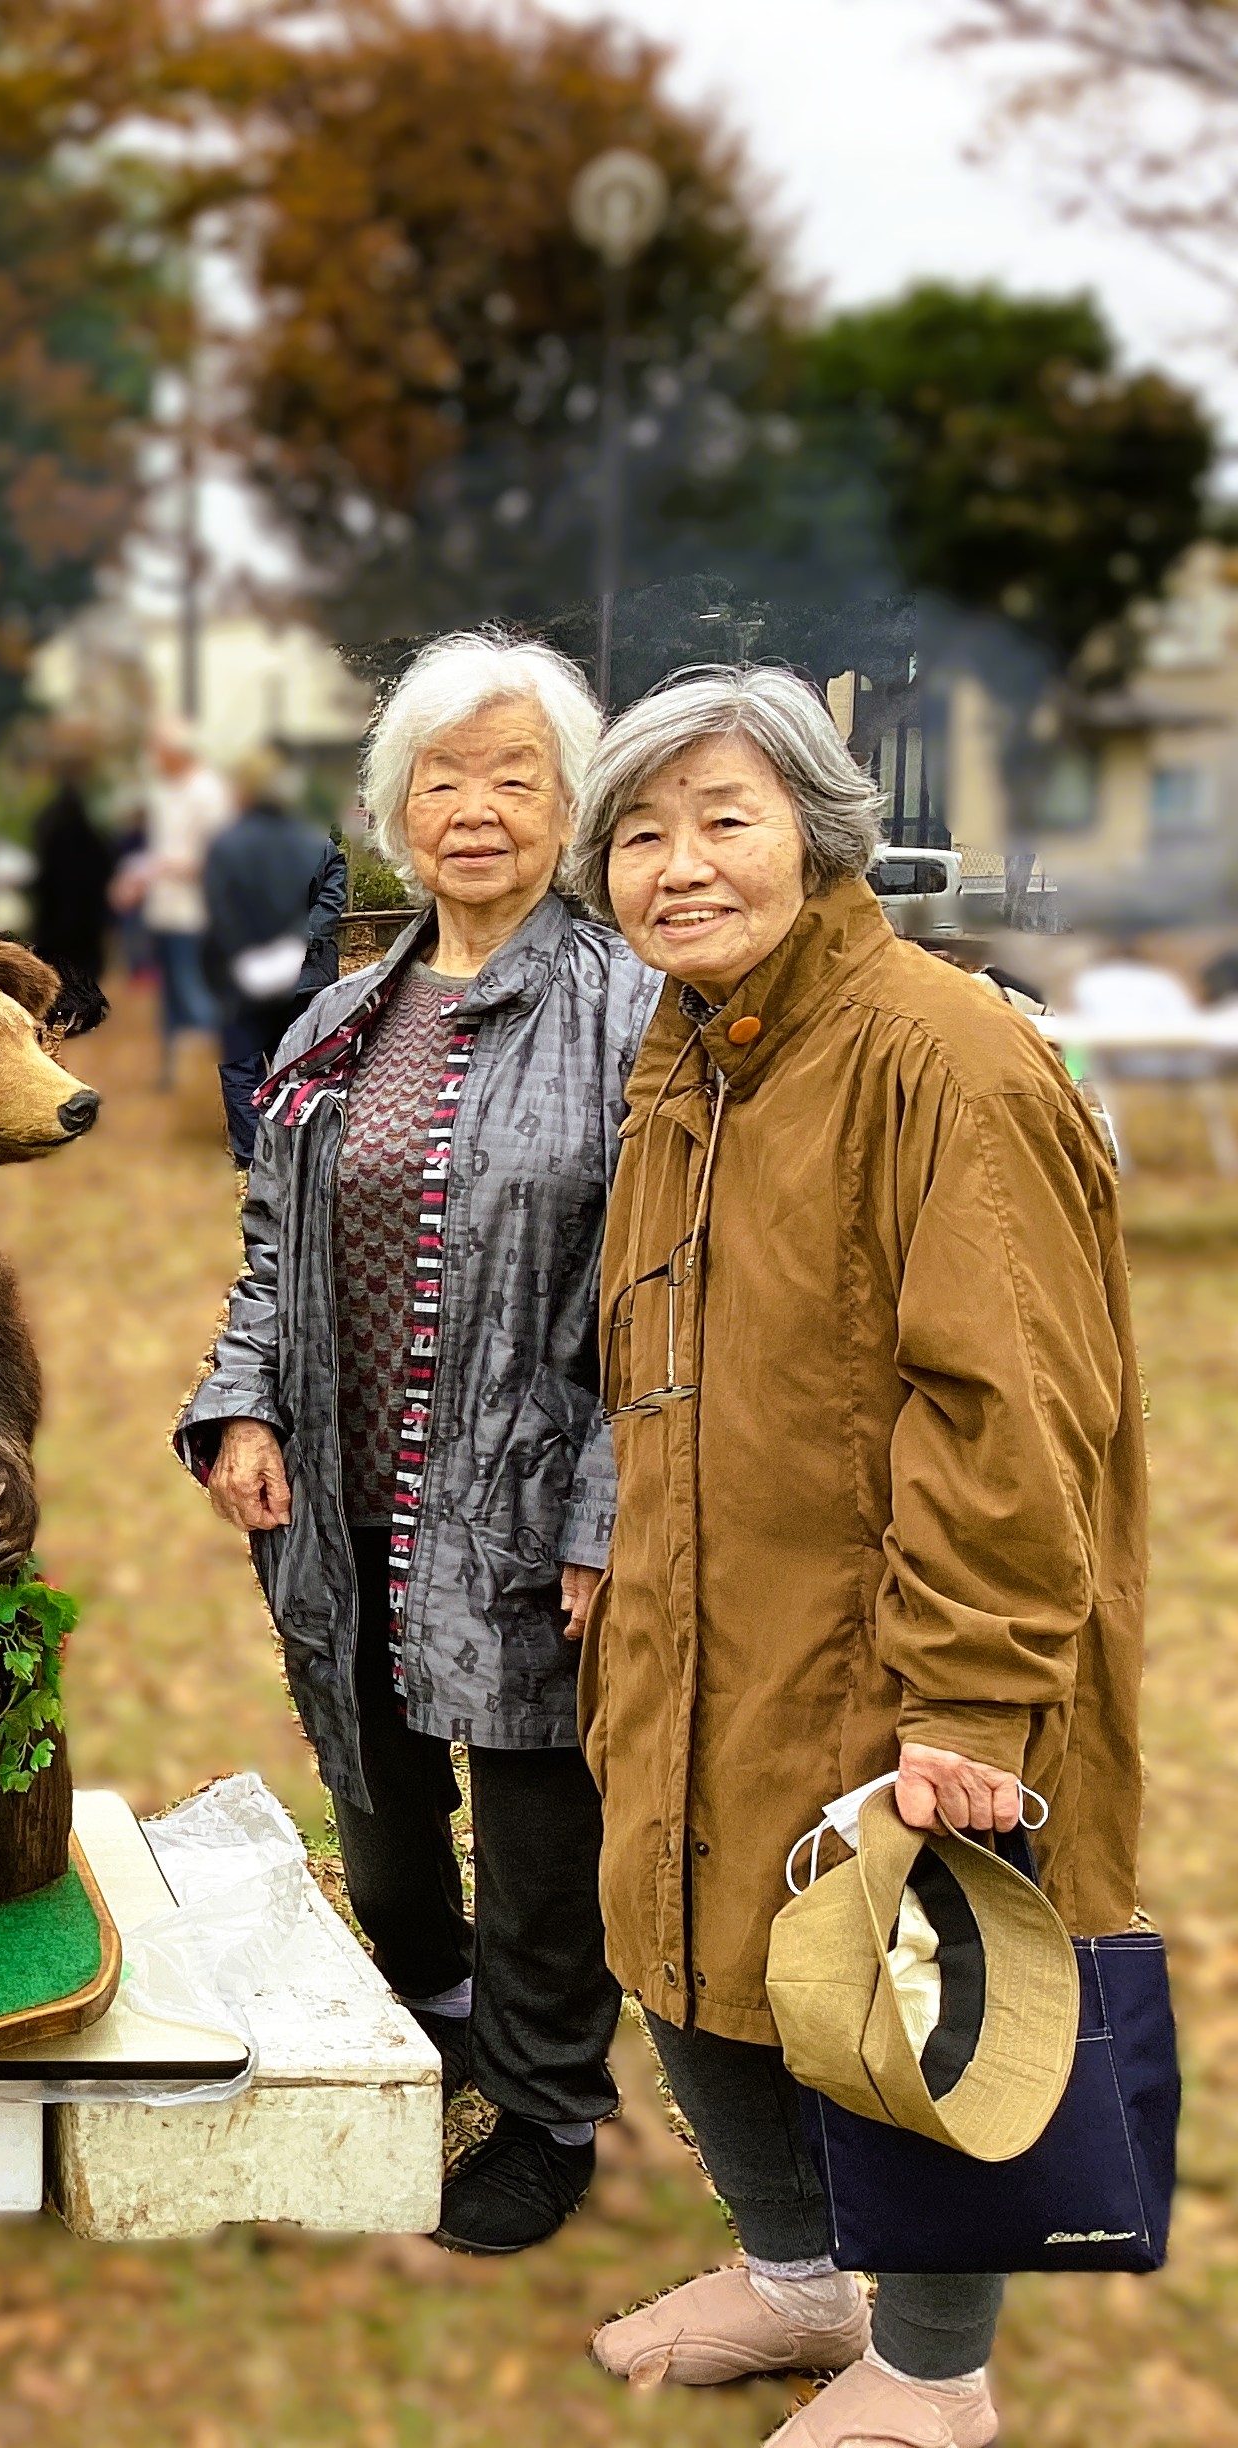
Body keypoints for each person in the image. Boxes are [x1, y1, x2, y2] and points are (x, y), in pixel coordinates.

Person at [568, 669, 1145, 2448]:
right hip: (703, 1602)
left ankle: (931, 2370)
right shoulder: (690, 1048)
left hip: (894, 1633)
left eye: (721, 819)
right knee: (697, 1939)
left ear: (817, 836)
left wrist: (966, 1693)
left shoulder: (938, 1053)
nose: (677, 866)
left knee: (918, 1967)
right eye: (639, 834)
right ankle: (795, 2272)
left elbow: (1008, 1403)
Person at [178, 635, 653, 2255]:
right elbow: (268, 1251)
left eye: (511, 776)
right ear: (390, 809)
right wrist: (239, 1399)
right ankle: (427, 2002)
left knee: (534, 1815)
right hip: (340, 1488)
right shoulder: (335, 1015)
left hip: (522, 1498)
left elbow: (664, 1299)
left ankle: (541, 2106)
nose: (471, 808)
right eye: (439, 778)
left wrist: (602, 1512)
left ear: (567, 803)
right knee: (374, 1785)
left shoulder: (628, 1016)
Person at [197, 755, 348, 1162]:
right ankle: (295, 1150)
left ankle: (252, 1154)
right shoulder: (320, 845)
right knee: (298, 1064)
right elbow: (330, 905)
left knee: (241, 1065)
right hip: (304, 977)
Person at [136, 722, 234, 1083]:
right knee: (170, 1001)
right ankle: (171, 1072)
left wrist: (159, 867)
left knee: (197, 1000)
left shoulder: (208, 793)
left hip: (195, 917)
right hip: (164, 913)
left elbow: (215, 860)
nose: (154, 759)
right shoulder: (164, 792)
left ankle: (227, 1080)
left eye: (158, 751)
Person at [28, 740, 115, 996]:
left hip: (55, 914)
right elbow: (105, 861)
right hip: (84, 915)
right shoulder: (93, 819)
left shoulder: (47, 819)